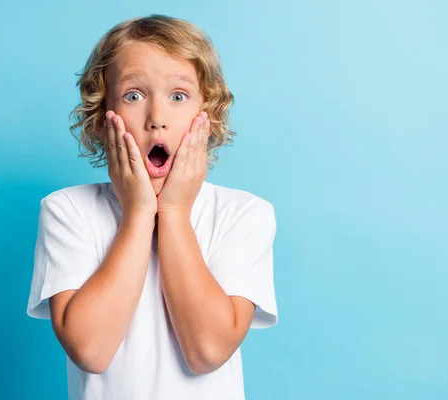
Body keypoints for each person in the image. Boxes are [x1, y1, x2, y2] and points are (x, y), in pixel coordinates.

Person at [26, 14, 278, 400]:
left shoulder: (243, 214)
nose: (156, 119)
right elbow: (90, 351)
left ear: (205, 117)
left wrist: (174, 212)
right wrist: (139, 213)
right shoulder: (68, 210)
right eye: (133, 96)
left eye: (178, 97)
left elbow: (207, 351)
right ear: (100, 120)